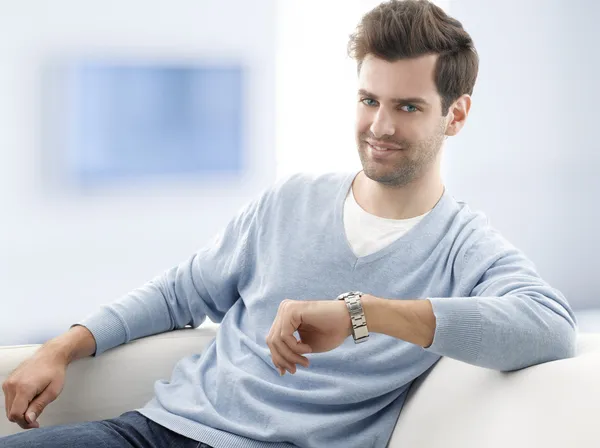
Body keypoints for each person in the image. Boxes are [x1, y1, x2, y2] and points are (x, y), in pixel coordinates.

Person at [1, 1, 577, 447]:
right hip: (154, 431)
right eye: (368, 99)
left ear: (456, 114)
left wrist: (362, 313)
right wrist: (63, 347)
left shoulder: (463, 246)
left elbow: (550, 328)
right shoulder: (289, 201)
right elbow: (182, 292)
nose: (379, 125)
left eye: (408, 107)